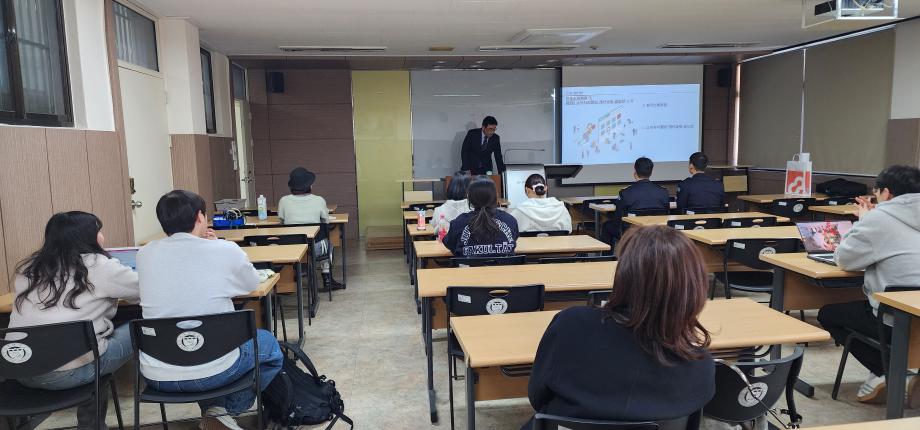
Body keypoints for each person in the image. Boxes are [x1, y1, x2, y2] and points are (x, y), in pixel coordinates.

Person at [525, 225, 715, 428]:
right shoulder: (700, 366)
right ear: (694, 288)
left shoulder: (571, 325)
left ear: (623, 274)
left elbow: (538, 397)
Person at [137, 190, 283, 430]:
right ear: (200, 217)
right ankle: (222, 412)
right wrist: (217, 246)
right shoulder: (224, 250)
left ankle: (215, 414)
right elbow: (250, 284)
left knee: (203, 348)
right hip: (215, 371)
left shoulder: (144, 254)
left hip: (157, 374)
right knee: (268, 345)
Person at [9, 212, 139, 430]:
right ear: (87, 236)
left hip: (20, 369)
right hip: (67, 374)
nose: (102, 235)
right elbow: (146, 289)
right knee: (137, 327)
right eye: (99, 230)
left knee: (91, 346)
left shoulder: (29, 268)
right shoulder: (98, 265)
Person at [817, 165, 920, 404]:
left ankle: (889, 372)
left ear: (886, 192)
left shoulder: (878, 219)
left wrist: (864, 220)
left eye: (876, 191)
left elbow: (844, 259)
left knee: (829, 314)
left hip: (897, 321)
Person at [278, 167, 344, 291]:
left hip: (292, 247)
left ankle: (295, 276)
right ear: (310, 186)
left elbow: (281, 220)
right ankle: (327, 279)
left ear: (291, 187)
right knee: (328, 245)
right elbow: (326, 220)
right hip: (316, 247)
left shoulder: (283, 201)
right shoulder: (319, 200)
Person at [443, 176, 518, 257]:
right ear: (496, 196)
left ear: (469, 198)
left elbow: (449, 244)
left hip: (468, 266)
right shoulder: (510, 220)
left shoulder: (459, 223)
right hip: (506, 266)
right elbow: (514, 239)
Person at [602, 157, 670, 244]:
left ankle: (608, 253)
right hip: (656, 232)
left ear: (635, 171)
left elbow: (618, 218)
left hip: (631, 233)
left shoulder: (625, 192)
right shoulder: (663, 192)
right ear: (651, 172)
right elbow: (666, 216)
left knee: (606, 226)